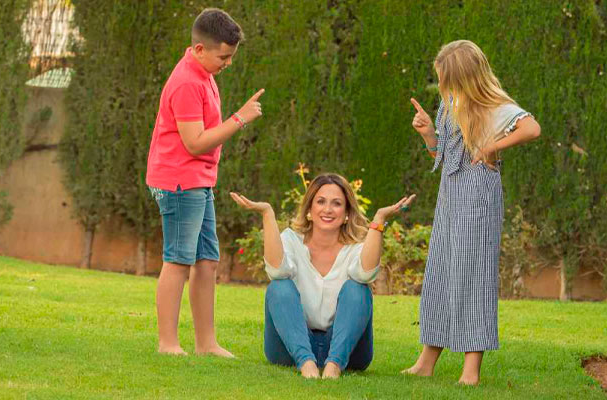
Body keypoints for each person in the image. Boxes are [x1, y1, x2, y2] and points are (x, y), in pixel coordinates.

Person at [403, 40, 541, 385]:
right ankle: (426, 361)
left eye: (446, 79)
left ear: (466, 75)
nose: (443, 86)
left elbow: (532, 128)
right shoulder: (450, 103)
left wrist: (493, 145)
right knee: (440, 271)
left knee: (473, 276)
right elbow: (443, 155)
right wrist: (427, 135)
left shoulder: (494, 105)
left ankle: (471, 371)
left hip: (478, 198)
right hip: (449, 197)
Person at [146, 8, 264, 357]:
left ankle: (206, 344)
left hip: (198, 180)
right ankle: (168, 343)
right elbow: (194, 142)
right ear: (199, 49)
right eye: (223, 56)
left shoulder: (203, 75)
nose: (227, 63)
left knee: (207, 260)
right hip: (179, 182)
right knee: (178, 260)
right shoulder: (186, 82)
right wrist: (240, 118)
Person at [229, 173, 415, 378]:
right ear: (310, 208)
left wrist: (379, 219)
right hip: (289, 348)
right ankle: (306, 364)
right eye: (320, 202)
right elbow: (276, 271)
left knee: (358, 288)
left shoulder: (355, 248)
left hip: (347, 350)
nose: (327, 209)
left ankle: (334, 365)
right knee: (279, 287)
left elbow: (366, 274)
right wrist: (267, 214)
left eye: (336, 203)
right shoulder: (291, 240)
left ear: (346, 212)